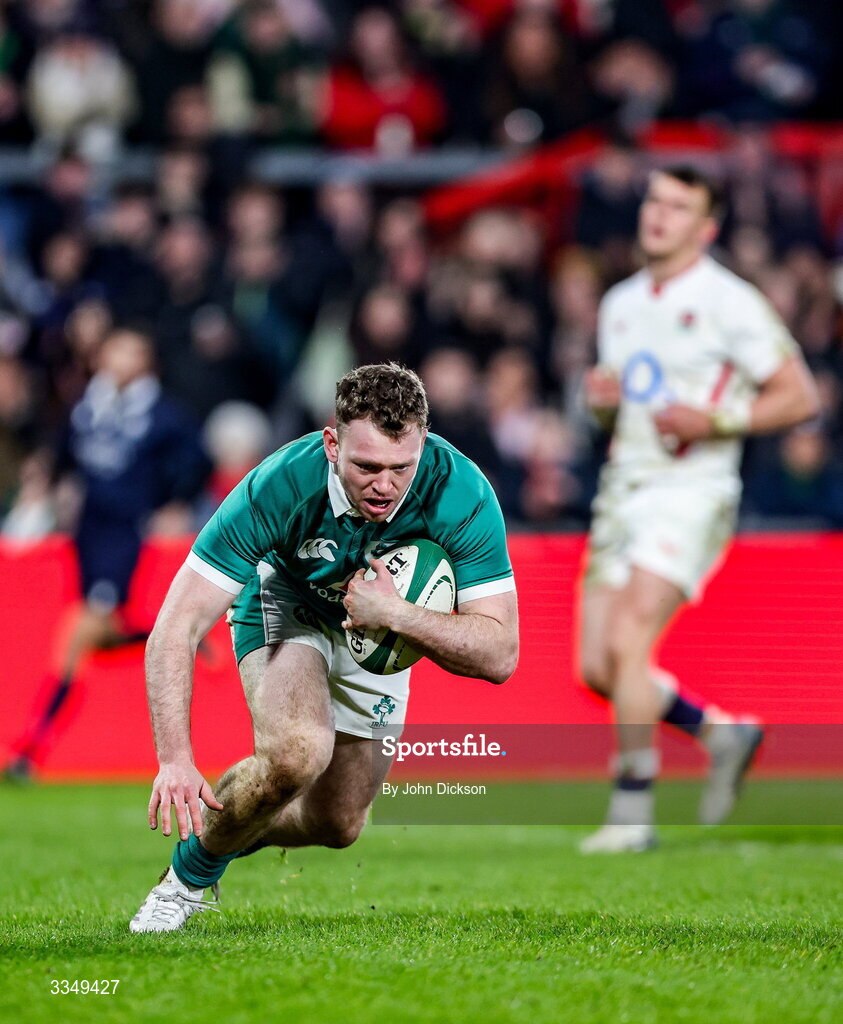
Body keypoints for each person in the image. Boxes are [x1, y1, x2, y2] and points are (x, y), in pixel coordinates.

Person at [130, 362, 518, 933]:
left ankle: (232, 828)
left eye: (400, 468)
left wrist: (396, 613)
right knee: (297, 752)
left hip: (386, 629)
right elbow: (177, 625)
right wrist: (174, 760)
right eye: (366, 466)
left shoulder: (460, 490)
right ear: (332, 443)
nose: (384, 486)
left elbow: (501, 654)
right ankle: (187, 881)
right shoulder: (280, 483)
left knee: (338, 825)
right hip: (290, 600)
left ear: (423, 446)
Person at [578, 166, 819, 853]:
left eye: (677, 207)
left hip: (690, 493)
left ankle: (632, 811)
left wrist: (713, 420)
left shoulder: (728, 301)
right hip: (621, 489)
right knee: (598, 667)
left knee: (628, 642)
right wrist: (601, 406)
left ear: (704, 228)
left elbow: (798, 395)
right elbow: (618, 411)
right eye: (653, 199)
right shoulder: (619, 302)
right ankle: (720, 733)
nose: (658, 215)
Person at [4, 326, 209, 780]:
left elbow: (197, 460)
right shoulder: (87, 407)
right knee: (100, 630)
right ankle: (176, 634)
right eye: (115, 350)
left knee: (77, 634)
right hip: (87, 533)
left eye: (131, 351)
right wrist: (46, 483)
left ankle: (31, 747)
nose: (120, 360)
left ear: (146, 362)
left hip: (123, 534)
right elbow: (63, 455)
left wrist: (173, 502)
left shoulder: (162, 415)